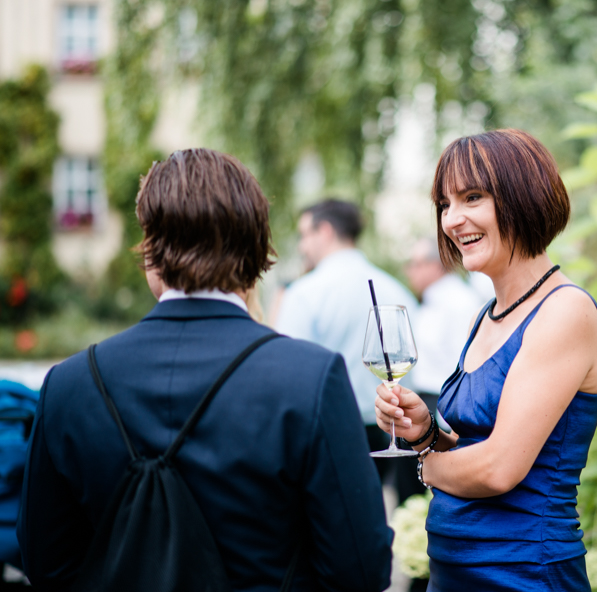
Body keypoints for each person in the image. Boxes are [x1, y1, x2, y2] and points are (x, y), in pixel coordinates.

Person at [17, 149, 392, 591]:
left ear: (151, 252)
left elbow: (44, 562)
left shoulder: (69, 384)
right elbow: (361, 569)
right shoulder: (309, 378)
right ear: (256, 254)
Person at [375, 129, 597, 591]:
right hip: (453, 570)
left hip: (523, 574)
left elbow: (499, 467)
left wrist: (423, 464)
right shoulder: (483, 318)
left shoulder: (564, 310)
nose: (452, 219)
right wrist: (425, 431)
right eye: (444, 204)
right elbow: (469, 446)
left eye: (472, 197)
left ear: (524, 196)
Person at [274, 199, 419, 498]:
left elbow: (288, 372)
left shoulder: (304, 294)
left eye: (304, 235)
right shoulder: (397, 290)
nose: (302, 246)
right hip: (384, 430)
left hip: (327, 433)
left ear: (324, 231)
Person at [404, 237, 484, 405]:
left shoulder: (460, 302)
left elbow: (466, 363)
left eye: (415, 264)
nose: (409, 271)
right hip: (427, 398)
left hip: (443, 402)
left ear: (435, 266)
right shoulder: (431, 299)